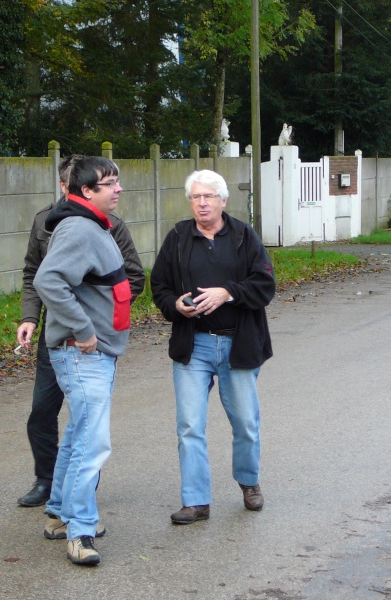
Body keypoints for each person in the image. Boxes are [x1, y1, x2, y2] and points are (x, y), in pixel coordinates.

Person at [15, 155, 144, 509]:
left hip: (91, 339)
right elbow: (39, 276)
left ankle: (68, 504)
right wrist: (31, 318)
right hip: (67, 336)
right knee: (50, 415)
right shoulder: (54, 222)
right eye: (110, 183)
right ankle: (56, 492)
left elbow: (132, 278)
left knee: (83, 429)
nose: (118, 189)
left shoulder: (109, 224)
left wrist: (102, 312)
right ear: (74, 188)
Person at [150, 169, 275, 525]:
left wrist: (228, 292)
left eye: (208, 196)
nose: (201, 203)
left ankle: (249, 482)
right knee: (189, 425)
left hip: (238, 344)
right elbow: (158, 286)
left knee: (246, 423)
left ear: (223, 200)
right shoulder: (177, 237)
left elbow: (265, 285)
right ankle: (196, 500)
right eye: (195, 197)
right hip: (195, 345)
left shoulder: (243, 236)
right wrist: (175, 305)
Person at [33, 156, 131, 566]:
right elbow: (46, 280)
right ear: (86, 191)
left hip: (96, 354)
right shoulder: (77, 228)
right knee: (93, 442)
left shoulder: (92, 226)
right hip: (82, 354)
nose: (118, 189)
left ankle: (59, 513)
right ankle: (80, 530)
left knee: (77, 437)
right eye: (109, 183)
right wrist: (84, 331)